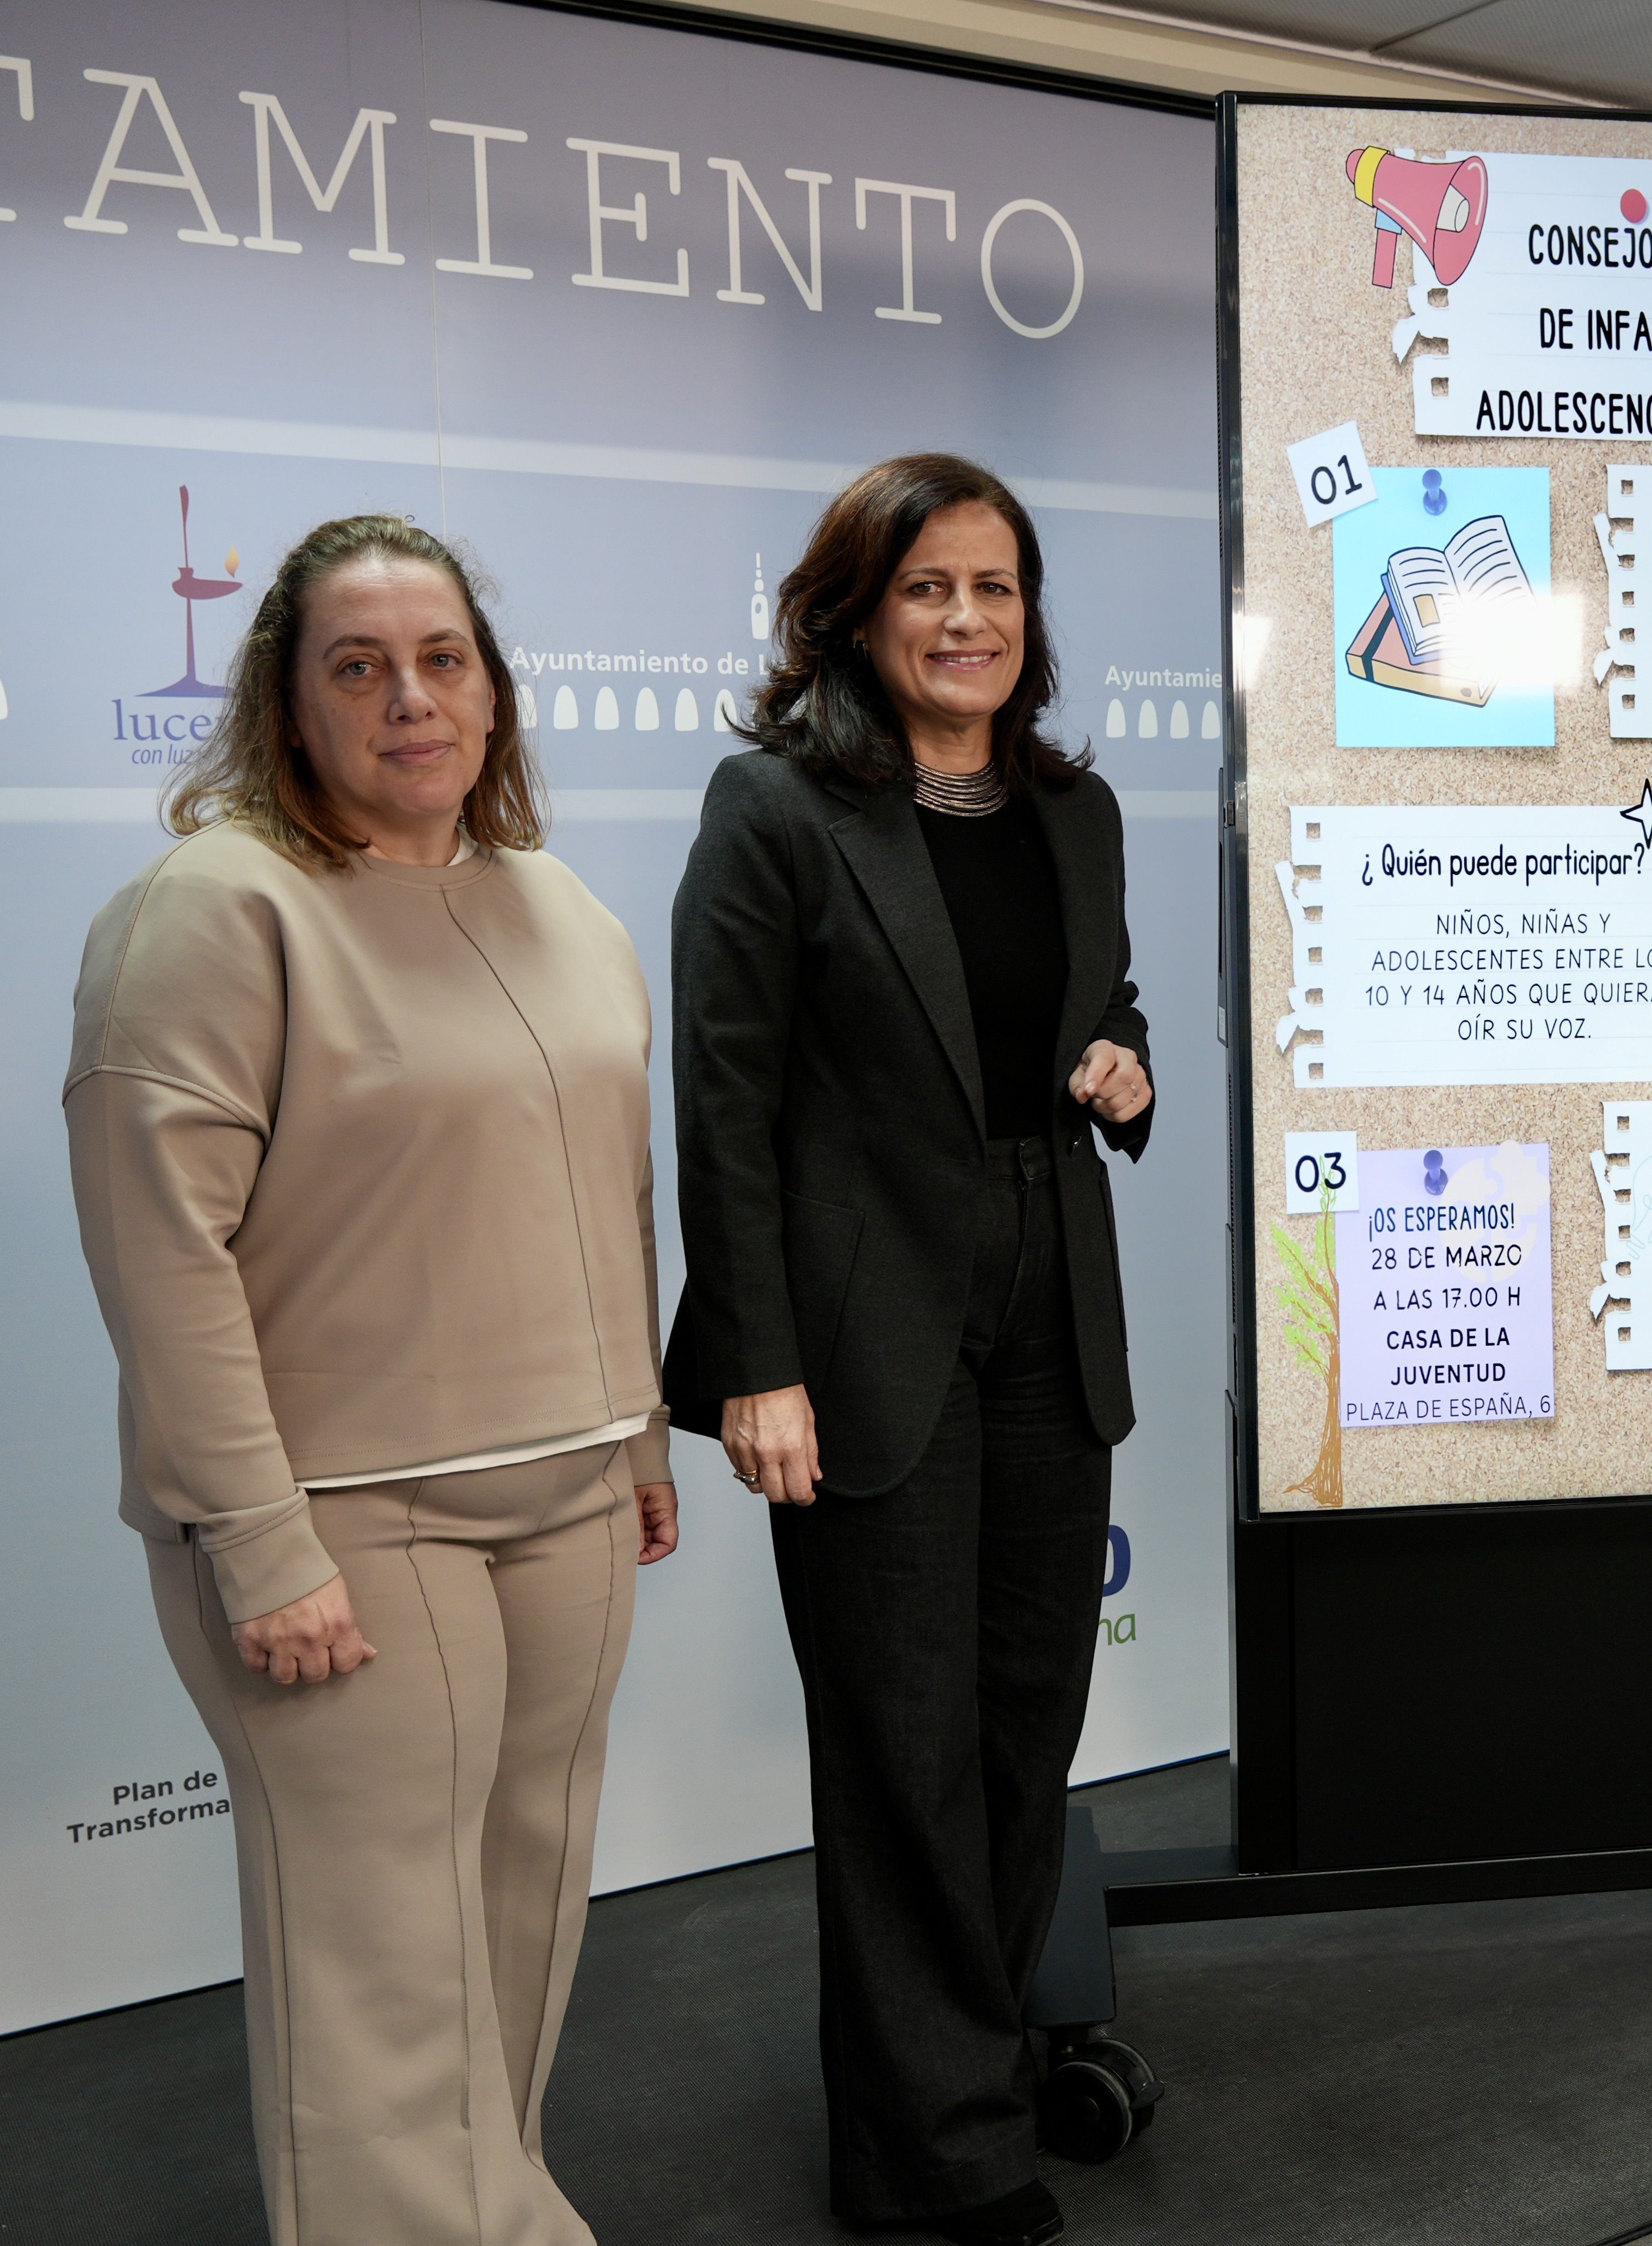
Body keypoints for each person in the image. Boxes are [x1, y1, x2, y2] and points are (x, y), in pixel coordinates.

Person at [64, 516, 680, 2245]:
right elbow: (158, 1251)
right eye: (360, 667)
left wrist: (636, 1430)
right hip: (343, 1526)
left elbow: (609, 1191)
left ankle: (506, 2216)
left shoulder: (557, 903)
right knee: (380, 1976)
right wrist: (258, 1541)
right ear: (291, 704)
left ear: (491, 690)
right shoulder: (212, 912)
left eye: (443, 660)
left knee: (516, 1921)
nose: (411, 698)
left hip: (566, 1500)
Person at [666, 454, 1153, 2246]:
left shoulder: (1075, 813)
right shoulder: (778, 812)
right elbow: (723, 1106)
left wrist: (1126, 1070)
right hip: (862, 1334)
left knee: (1028, 1723)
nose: (968, 622)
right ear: (859, 617)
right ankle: (932, 2158)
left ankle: (970, 2070)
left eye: (998, 590)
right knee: (901, 1743)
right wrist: (753, 1362)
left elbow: (1095, 1003)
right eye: (930, 590)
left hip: (1047, 1306)